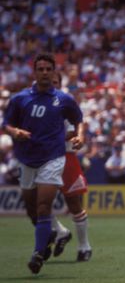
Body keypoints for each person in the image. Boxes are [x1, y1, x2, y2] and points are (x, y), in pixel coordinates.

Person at [2, 53, 85, 274]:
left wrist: (81, 136)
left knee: (43, 206)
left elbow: (79, 119)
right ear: (35, 72)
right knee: (31, 210)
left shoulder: (63, 99)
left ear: (54, 71)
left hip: (53, 158)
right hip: (27, 158)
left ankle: (38, 254)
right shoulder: (21, 98)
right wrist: (14, 131)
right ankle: (52, 234)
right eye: (41, 69)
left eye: (49, 69)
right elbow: (6, 123)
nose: (45, 73)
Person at [21, 70, 93, 262]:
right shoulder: (34, 104)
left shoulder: (64, 103)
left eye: (55, 81)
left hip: (66, 156)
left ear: (59, 84)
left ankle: (84, 246)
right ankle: (60, 232)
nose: (50, 83)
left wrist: (46, 137)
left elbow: (72, 131)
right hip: (44, 158)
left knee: (74, 204)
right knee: (38, 202)